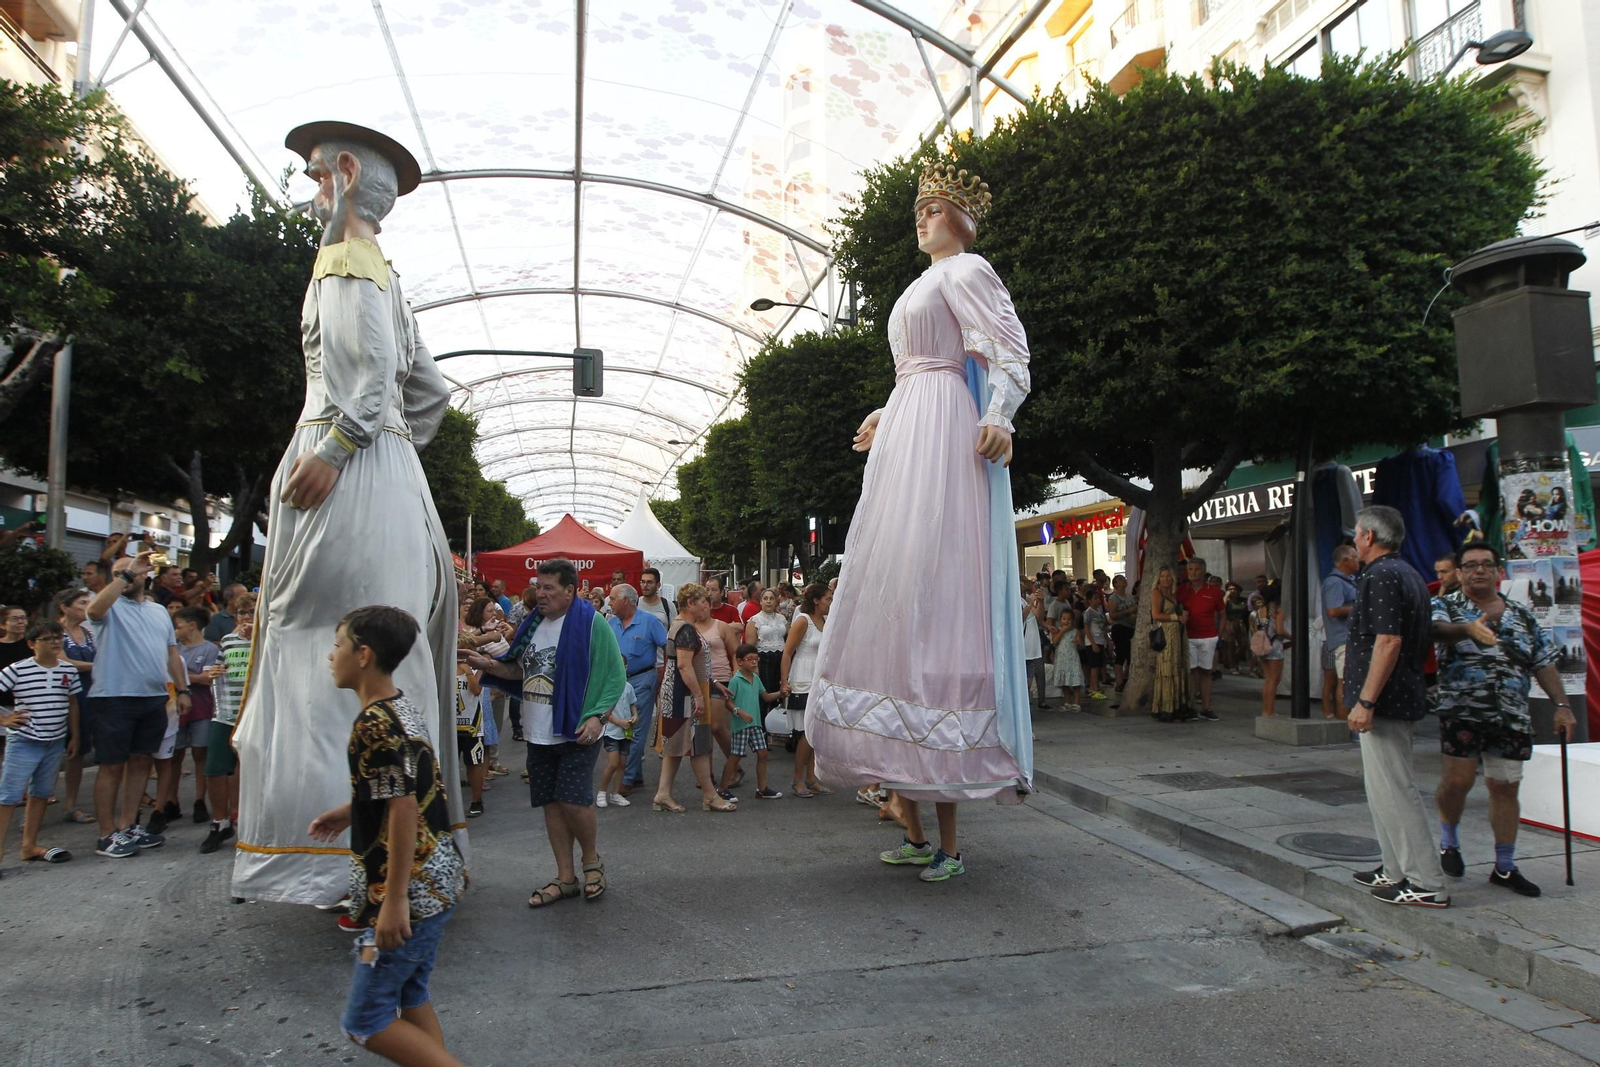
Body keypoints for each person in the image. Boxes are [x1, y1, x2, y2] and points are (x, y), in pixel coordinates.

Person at [234, 123, 463, 906]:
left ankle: (340, 867)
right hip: (392, 480)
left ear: (343, 170)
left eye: (312, 175)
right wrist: (396, 452)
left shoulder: (343, 258)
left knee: (315, 655)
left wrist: (337, 449)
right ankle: (416, 862)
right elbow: (425, 394)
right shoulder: (389, 275)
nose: (309, 188)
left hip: (347, 471)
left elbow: (364, 385)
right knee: (397, 671)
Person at [812, 163, 1032, 884]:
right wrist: (890, 408)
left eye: (938, 208)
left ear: (966, 219)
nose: (925, 217)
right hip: (915, 417)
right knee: (897, 574)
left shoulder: (968, 268)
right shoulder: (921, 282)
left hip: (942, 425)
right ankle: (913, 822)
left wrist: (998, 412)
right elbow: (917, 365)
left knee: (930, 572)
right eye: (921, 208)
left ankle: (945, 839)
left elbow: (1008, 350)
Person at [307, 606, 467, 1067]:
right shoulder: (400, 706)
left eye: (337, 645)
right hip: (437, 882)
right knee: (411, 996)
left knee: (366, 1020)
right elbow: (409, 785)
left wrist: (394, 900)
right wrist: (351, 810)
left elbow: (401, 807)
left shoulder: (374, 724)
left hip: (411, 892)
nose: (330, 656)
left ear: (363, 654)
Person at [464, 558, 625, 906]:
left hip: (576, 728)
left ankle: (592, 862)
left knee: (573, 800)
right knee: (551, 803)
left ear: (570, 591)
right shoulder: (532, 624)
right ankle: (565, 877)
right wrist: (487, 664)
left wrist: (599, 717)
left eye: (549, 588)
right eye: (539, 586)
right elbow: (517, 670)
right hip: (539, 731)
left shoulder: (592, 623)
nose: (541, 594)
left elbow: (615, 675)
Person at [1431, 542, 1577, 898]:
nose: (1479, 570)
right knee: (1457, 783)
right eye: (1471, 565)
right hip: (1462, 712)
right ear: (1461, 573)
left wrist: (1562, 704)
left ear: (1499, 572)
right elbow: (1434, 630)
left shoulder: (1522, 616)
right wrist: (1467, 629)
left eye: (1486, 564)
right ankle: (1449, 842)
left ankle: (1505, 866)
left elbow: (1543, 661)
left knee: (1506, 786)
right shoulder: (1446, 607)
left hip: (1511, 717)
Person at [1345, 506, 1449, 908]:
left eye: (1357, 533)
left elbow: (1388, 641)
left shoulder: (1384, 575)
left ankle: (1426, 880)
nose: (1354, 540)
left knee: (1395, 789)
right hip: (1395, 695)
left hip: (1385, 700)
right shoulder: (1404, 573)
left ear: (1369, 537)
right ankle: (1395, 868)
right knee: (1382, 790)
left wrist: (1366, 701)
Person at [87, 552, 191, 858]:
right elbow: (93, 611)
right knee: (111, 766)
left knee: (142, 762)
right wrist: (125, 575)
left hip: (153, 697)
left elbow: (171, 654)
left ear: (146, 575)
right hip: (114, 697)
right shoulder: (109, 606)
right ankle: (106, 834)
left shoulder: (159, 611)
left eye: (135, 570)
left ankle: (128, 824)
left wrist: (182, 689)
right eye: (122, 572)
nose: (130, 575)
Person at [0, 620, 81, 866]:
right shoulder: (15, 669)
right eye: (48, 638)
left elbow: (72, 704)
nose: (56, 642)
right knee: (8, 797)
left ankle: (29, 846)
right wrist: (5, 719)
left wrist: (74, 735)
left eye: (58, 637)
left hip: (54, 741)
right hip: (24, 740)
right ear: (32, 644)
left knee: (41, 794)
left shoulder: (68, 670)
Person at [652, 583, 736, 814]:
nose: (706, 606)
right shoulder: (686, 629)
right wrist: (699, 695)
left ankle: (663, 794)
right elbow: (683, 665)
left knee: (676, 745)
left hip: (678, 692)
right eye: (702, 602)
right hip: (684, 694)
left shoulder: (679, 626)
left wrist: (712, 682)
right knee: (697, 744)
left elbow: (690, 665)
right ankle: (710, 795)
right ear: (690, 603)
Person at [203, 592, 254, 854]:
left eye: (252, 612)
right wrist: (210, 672)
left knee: (252, 770)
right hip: (225, 713)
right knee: (214, 769)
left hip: (255, 715)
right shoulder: (227, 641)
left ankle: (250, 820)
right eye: (242, 613)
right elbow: (215, 669)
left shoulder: (267, 640)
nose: (246, 618)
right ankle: (220, 822)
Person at [607, 583, 666, 797]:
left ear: (626, 600)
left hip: (642, 679)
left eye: (613, 598)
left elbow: (666, 645)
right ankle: (636, 774)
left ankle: (628, 777)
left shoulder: (649, 621)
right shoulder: (610, 623)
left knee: (635, 727)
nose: (609, 602)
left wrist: (665, 674)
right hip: (617, 682)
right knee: (620, 727)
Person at [780, 582, 831, 797]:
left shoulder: (827, 621)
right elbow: (787, 652)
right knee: (805, 733)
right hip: (802, 678)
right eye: (828, 598)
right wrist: (784, 682)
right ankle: (797, 778)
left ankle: (811, 777)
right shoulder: (803, 620)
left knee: (816, 733)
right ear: (816, 600)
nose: (831, 602)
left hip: (819, 679)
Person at [171, 605, 220, 825]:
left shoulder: (210, 649)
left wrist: (182, 677)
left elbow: (208, 678)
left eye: (178, 627)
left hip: (202, 706)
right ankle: (171, 800)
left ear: (192, 626)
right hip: (175, 709)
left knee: (201, 754)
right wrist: (194, 677)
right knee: (174, 755)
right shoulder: (174, 650)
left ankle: (200, 799)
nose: (175, 631)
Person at [55, 587, 98, 823]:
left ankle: (71, 805)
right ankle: (39, 801)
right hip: (61, 696)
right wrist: (96, 666)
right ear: (65, 607)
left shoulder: (88, 633)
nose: (87, 608)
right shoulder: (55, 632)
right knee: (50, 753)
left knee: (78, 752)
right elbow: (62, 661)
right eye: (82, 603)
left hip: (87, 695)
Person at [721, 643, 783, 800]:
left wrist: (780, 693)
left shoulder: (756, 678)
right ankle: (722, 788)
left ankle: (762, 788)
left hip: (755, 724)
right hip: (741, 725)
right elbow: (728, 702)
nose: (754, 662)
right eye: (750, 659)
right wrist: (739, 711)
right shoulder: (736, 680)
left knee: (762, 754)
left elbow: (765, 696)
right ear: (740, 661)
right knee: (735, 756)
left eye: (756, 659)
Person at [1175, 557, 1225, 721]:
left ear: (1203, 571)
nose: (1193, 573)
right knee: (1191, 672)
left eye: (1196, 569)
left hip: (1208, 637)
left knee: (1206, 672)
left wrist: (1220, 634)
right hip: (1188, 637)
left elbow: (1222, 614)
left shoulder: (1214, 591)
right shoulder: (1181, 590)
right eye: (1190, 569)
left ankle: (1206, 707)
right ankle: (1190, 707)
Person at [1321, 546, 1360, 720]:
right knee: (1344, 681)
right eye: (1355, 557)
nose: (1358, 560)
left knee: (1349, 680)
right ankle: (1343, 722)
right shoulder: (1335, 582)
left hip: (1351, 638)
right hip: (1343, 638)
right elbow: (1333, 611)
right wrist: (1359, 608)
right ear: (1345, 561)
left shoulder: (1349, 580)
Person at [1149, 567, 1191, 723]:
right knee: (1167, 669)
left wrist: (1183, 615)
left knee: (1178, 667)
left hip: (1179, 635)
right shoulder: (1157, 593)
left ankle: (1178, 704)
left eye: (1168, 576)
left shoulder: (1172, 594)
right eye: (1163, 576)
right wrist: (1176, 617)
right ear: (1158, 579)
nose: (1166, 579)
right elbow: (1156, 615)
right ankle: (1166, 707)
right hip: (1167, 634)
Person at [454, 643, 485, 818]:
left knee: (473, 764)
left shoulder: (476, 670)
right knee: (448, 763)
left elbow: (476, 690)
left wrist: (467, 671)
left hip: (472, 725)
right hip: (452, 725)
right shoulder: (447, 668)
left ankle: (476, 800)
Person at [743, 588, 789, 707]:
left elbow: (790, 638)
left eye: (771, 599)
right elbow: (750, 646)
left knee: (780, 690)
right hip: (763, 658)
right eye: (765, 598)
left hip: (781, 657)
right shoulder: (755, 620)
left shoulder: (782, 619)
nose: (768, 601)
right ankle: (762, 723)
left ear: (776, 602)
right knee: (765, 693)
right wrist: (753, 665)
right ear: (761, 602)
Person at [595, 682, 637, 808]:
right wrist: (620, 722)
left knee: (622, 764)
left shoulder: (629, 686)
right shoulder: (607, 687)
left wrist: (635, 715)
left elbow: (632, 703)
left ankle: (615, 793)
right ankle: (602, 792)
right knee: (613, 764)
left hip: (625, 732)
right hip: (612, 731)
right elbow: (605, 712)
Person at [1252, 584, 1289, 718]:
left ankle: (1266, 710)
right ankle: (1270, 711)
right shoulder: (1278, 610)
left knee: (1268, 680)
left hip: (1264, 646)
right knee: (1274, 680)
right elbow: (1280, 631)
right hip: (1275, 646)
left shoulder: (1261, 610)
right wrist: (1292, 637)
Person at [1047, 594, 1084, 713]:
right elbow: (1055, 642)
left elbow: (1080, 644)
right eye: (1064, 619)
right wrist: (1062, 631)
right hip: (1061, 660)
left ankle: (1076, 703)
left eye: (1069, 619)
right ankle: (1067, 702)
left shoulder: (1075, 631)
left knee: (1075, 682)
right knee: (1064, 683)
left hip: (1072, 659)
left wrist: (1078, 642)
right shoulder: (1057, 630)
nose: (1066, 621)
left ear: (1072, 621)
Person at [1107, 574, 1138, 697]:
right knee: (1120, 654)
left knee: (1131, 655)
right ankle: (1119, 682)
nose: (1124, 581)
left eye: (1124, 579)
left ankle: (1126, 678)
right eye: (1120, 580)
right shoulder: (1113, 598)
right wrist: (1128, 611)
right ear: (1115, 584)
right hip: (1119, 628)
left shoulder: (1129, 597)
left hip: (1130, 627)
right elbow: (1113, 615)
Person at [1022, 581, 1047, 711]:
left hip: (1032, 645)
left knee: (1029, 678)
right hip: (1022, 645)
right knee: (1022, 678)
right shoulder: (1020, 601)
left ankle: (1027, 705)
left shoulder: (1029, 599)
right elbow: (1020, 618)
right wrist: (1030, 603)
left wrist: (1040, 602)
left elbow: (1039, 617)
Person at [1080, 586, 1109, 701]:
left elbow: (1104, 625)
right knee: (1094, 666)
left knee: (1099, 664)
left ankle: (1096, 685)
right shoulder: (1088, 613)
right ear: (1089, 600)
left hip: (1101, 639)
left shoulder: (1100, 610)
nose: (1097, 600)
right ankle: (1093, 688)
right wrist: (1093, 643)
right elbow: (1087, 628)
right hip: (1093, 641)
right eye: (1095, 598)